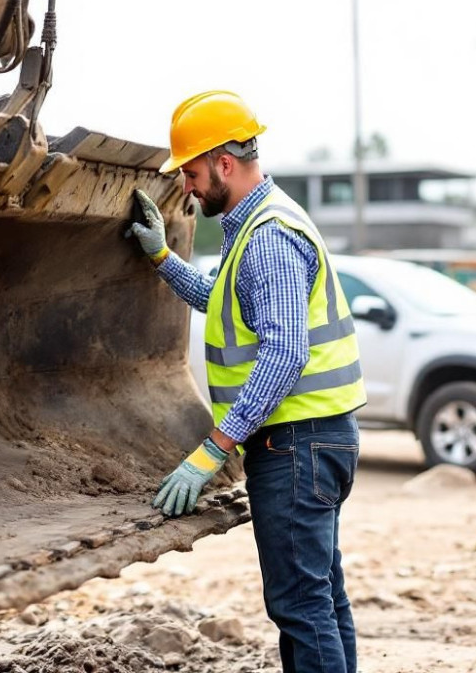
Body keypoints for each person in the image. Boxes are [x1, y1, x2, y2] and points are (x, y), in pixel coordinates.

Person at [128, 90, 366, 673]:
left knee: (301, 605)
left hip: (295, 444)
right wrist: (163, 259)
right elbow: (222, 299)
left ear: (223, 164)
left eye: (190, 172)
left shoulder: (267, 237)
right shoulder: (261, 220)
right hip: (317, 438)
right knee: (321, 599)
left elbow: (284, 354)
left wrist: (216, 447)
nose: (186, 186)